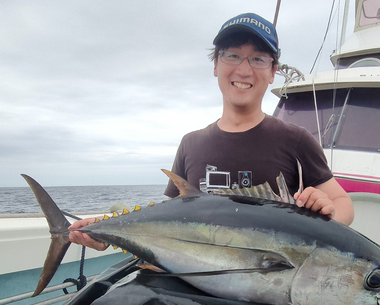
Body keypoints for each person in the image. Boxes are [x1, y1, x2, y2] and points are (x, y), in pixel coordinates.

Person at [70, 12, 353, 251]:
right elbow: (167, 217)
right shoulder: (191, 143)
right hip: (196, 277)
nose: (244, 70)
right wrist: (105, 231)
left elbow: (345, 205)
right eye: (232, 56)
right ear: (216, 65)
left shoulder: (295, 140)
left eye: (258, 59)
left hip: (266, 279)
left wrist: (325, 211)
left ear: (273, 71)